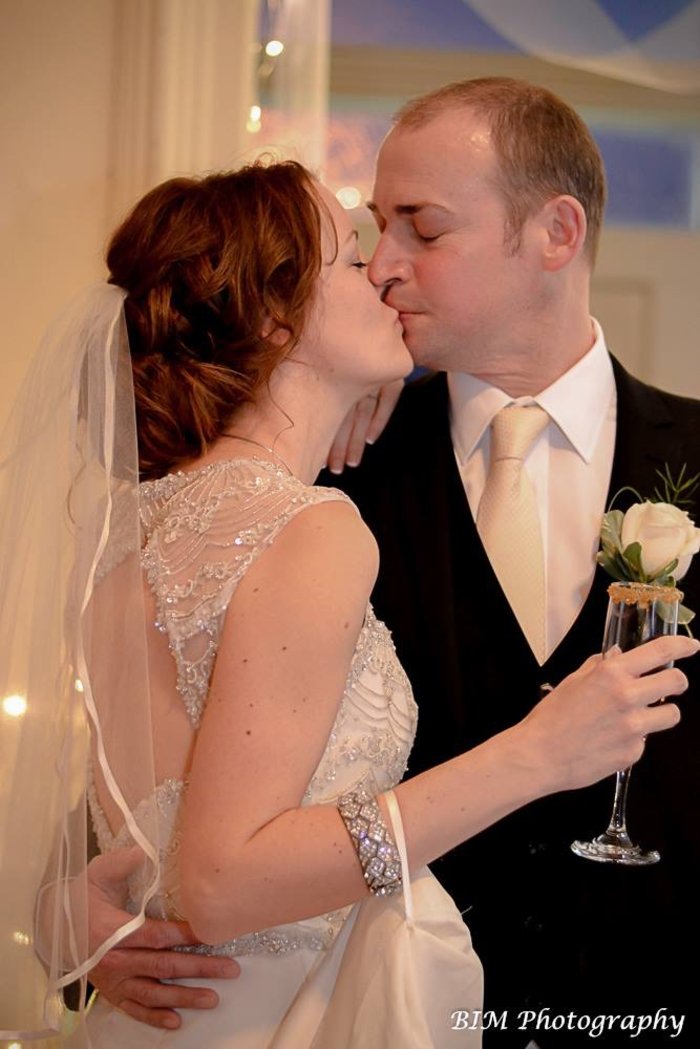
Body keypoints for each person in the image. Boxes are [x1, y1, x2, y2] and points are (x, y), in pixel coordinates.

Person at [6, 159, 687, 1049]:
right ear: (272, 316)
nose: (385, 271)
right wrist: (536, 753)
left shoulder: (134, 526)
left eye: (422, 228)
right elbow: (205, 864)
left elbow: (173, 789)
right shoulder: (320, 514)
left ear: (556, 233)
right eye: (355, 251)